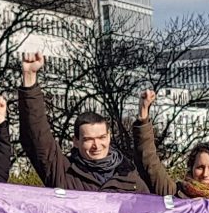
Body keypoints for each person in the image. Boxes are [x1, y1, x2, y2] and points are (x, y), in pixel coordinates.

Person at [18, 51, 161, 194]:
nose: (96, 145)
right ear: (75, 141)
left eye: (101, 137)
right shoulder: (63, 173)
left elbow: (149, 212)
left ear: (109, 136)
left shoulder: (130, 177)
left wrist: (143, 116)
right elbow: (38, 138)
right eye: (88, 139)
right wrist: (29, 79)